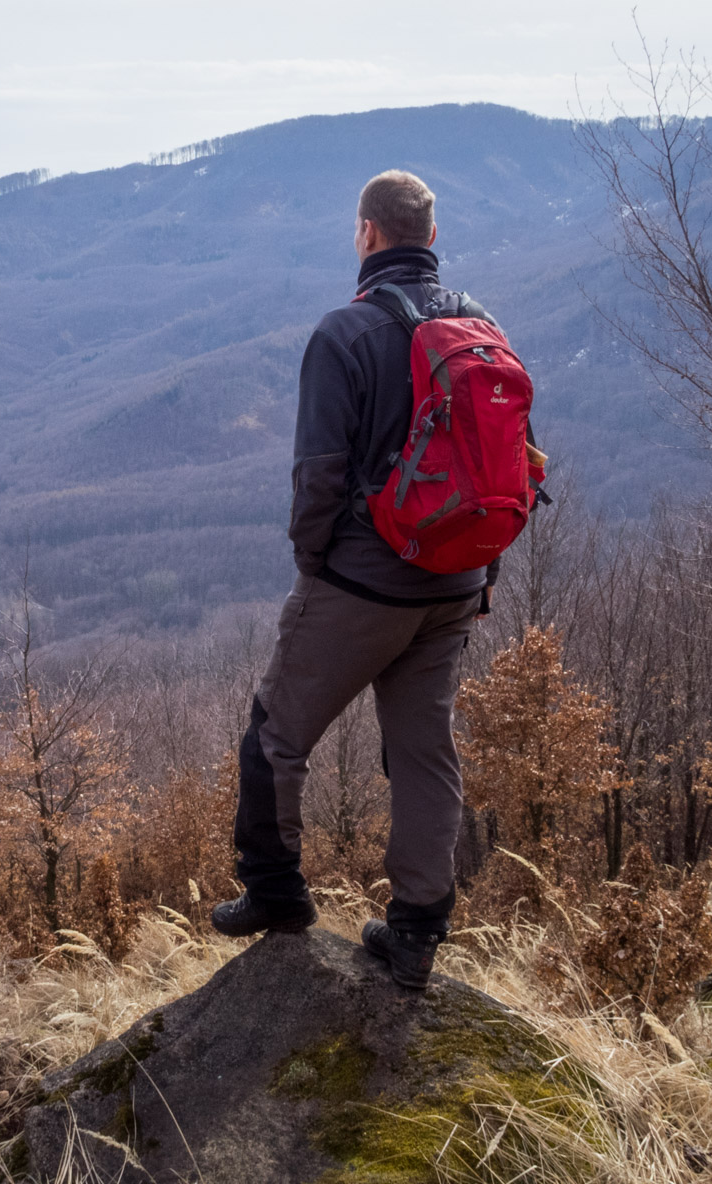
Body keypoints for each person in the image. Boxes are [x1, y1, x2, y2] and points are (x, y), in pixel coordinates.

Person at [211, 169, 515, 990]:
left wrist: (318, 568)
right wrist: (477, 574)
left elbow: (317, 478)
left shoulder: (344, 334)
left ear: (368, 235)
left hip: (364, 584)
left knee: (275, 735)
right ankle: (416, 932)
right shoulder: (481, 326)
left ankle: (275, 894)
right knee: (424, 753)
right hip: (455, 585)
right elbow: (503, 469)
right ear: (432, 237)